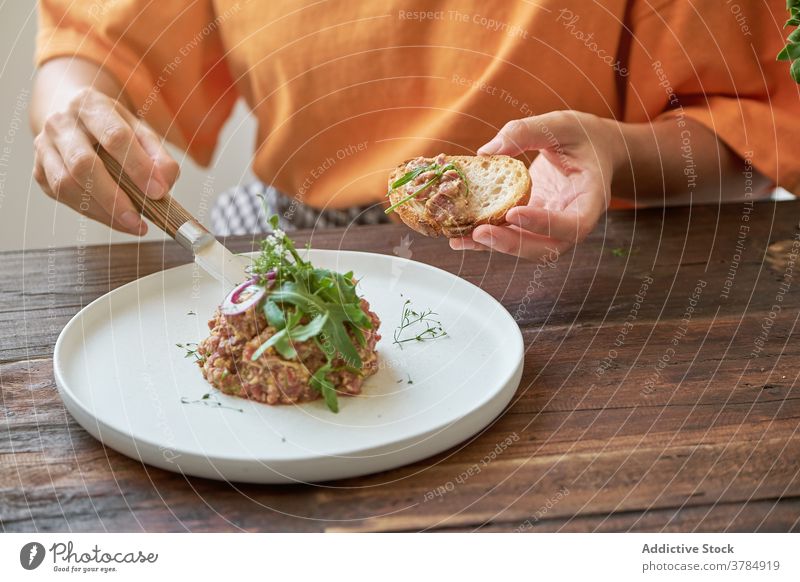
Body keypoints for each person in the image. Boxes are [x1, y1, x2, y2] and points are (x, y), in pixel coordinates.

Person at [30, 1, 798, 262]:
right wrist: (70, 106)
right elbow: (98, 50)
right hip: (294, 229)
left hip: (586, 253)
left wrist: (614, 153)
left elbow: (747, 128)